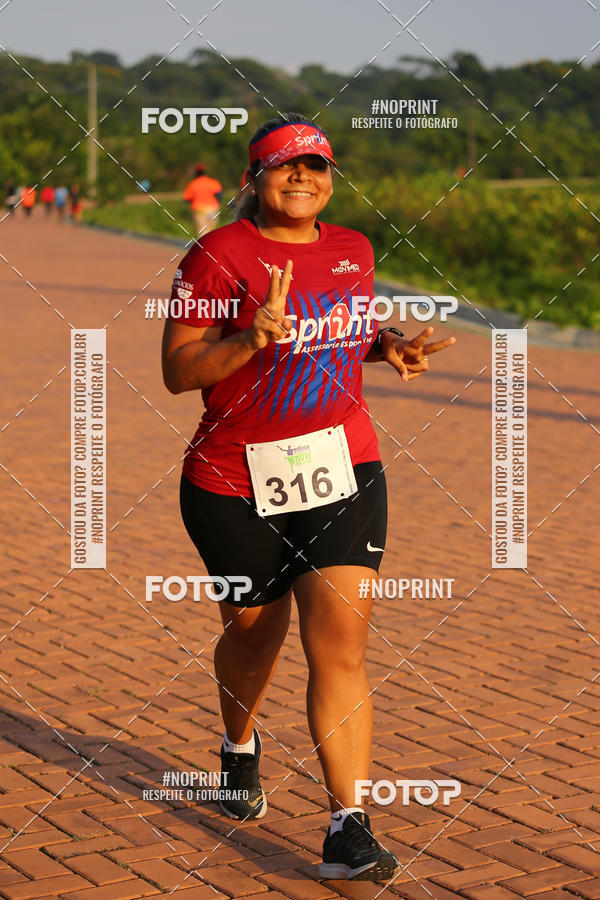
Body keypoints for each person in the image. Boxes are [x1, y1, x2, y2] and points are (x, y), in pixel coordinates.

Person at [162, 113, 455, 882]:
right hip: (232, 478)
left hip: (342, 465)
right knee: (256, 635)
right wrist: (250, 340)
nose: (303, 177)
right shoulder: (216, 255)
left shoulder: (352, 249)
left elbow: (344, 324)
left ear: (330, 178)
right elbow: (179, 370)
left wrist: (386, 342)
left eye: (317, 166)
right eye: (285, 166)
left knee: (341, 643)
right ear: (254, 177)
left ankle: (348, 828)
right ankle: (238, 748)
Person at [183, 163, 222, 235]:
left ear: (196, 173)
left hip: (199, 210)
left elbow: (187, 199)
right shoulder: (213, 182)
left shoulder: (193, 184)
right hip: (212, 209)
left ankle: (204, 245)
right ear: (205, 172)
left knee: (203, 231)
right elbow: (219, 196)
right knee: (212, 231)